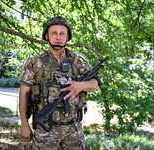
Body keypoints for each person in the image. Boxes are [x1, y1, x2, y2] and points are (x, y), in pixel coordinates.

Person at [18, 16, 100, 150]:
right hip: (45, 128)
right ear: (46, 36)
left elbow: (95, 84)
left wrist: (80, 86)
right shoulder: (35, 62)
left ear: (67, 37)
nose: (58, 37)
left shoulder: (76, 60)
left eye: (62, 33)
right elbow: (24, 93)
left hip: (73, 129)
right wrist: (24, 125)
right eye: (54, 33)